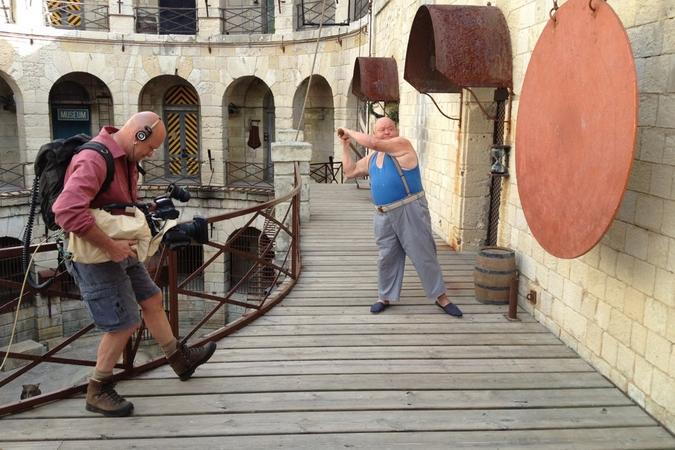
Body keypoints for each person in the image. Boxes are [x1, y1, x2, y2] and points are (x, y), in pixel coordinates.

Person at [53, 111, 216, 417]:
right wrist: (111, 246)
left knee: (152, 298)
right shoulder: (94, 159)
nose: (151, 153)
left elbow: (117, 206)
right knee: (124, 323)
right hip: (97, 254)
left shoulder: (126, 162)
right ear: (138, 134)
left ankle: (179, 359)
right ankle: (97, 389)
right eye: (150, 146)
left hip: (118, 249)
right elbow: (66, 211)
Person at [338, 117, 463, 317]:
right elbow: (350, 171)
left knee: (423, 254)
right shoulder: (372, 158)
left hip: (409, 208)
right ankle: (384, 296)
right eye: (381, 129)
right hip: (383, 214)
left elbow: (373, 143)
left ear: (396, 130)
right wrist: (345, 146)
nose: (387, 132)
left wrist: (348, 131)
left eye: (390, 128)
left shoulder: (402, 145)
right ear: (374, 131)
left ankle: (441, 297)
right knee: (386, 256)